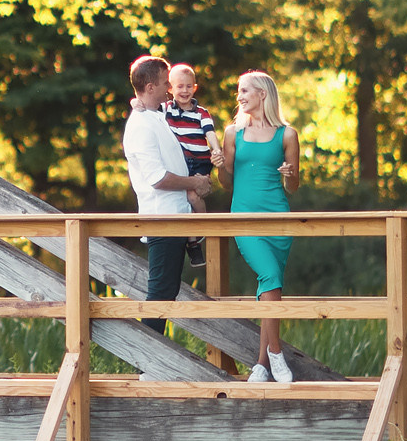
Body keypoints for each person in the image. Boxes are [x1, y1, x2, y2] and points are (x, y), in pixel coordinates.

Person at [214, 69, 301, 382]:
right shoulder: (232, 133)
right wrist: (221, 168)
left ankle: (262, 365)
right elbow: (227, 184)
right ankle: (277, 354)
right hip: (245, 216)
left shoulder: (287, 135)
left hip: (278, 216)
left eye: (244, 91)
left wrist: (289, 173)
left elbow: (293, 186)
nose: (239, 97)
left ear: (263, 94)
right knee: (269, 276)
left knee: (270, 286)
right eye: (239, 91)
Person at [122, 55, 210, 332]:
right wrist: (194, 183)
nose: (168, 89)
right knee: (160, 292)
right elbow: (157, 178)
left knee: (167, 290)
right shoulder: (140, 126)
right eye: (163, 83)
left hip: (176, 217)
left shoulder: (156, 116)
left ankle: (150, 366)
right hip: (161, 219)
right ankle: (146, 367)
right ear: (150, 87)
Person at [163, 64, 220, 278]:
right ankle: (193, 242)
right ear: (170, 88)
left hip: (200, 161)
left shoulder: (201, 112)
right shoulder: (166, 109)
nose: (184, 91)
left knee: (193, 196)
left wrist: (217, 150)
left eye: (188, 86)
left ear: (195, 88)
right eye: (180, 86)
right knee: (183, 201)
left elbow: (210, 133)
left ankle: (202, 226)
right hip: (180, 162)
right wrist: (136, 103)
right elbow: (144, 107)